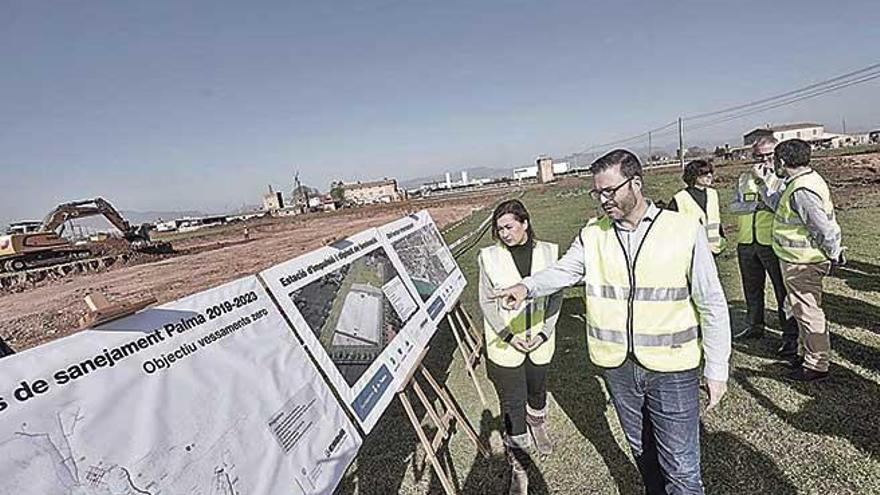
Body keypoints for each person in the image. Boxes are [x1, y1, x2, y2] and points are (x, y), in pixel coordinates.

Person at [492, 149, 731, 495]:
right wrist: (525, 286)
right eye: (597, 193)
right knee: (643, 454)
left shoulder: (682, 229)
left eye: (610, 191)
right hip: (618, 369)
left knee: (681, 468)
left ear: (635, 183)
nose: (603, 200)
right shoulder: (594, 234)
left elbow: (711, 302)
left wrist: (717, 367)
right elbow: (564, 271)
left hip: (673, 369)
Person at [478, 199, 562, 495]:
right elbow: (485, 303)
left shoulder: (549, 252)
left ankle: (538, 424)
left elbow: (555, 297)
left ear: (525, 223)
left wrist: (543, 334)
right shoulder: (488, 257)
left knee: (537, 390)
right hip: (505, 344)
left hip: (540, 340)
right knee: (513, 405)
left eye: (509, 227)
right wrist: (510, 337)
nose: (504, 233)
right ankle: (520, 468)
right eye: (499, 229)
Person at [754, 139, 844, 381]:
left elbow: (822, 227)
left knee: (808, 312)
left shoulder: (802, 190)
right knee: (801, 310)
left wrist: (834, 253)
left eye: (774, 159)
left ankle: (816, 364)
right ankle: (808, 356)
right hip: (797, 261)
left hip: (803, 263)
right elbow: (781, 207)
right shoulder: (798, 183)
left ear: (782, 161)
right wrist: (763, 184)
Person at [729, 137, 799, 355]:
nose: (765, 160)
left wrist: (761, 200)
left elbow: (780, 207)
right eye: (759, 156)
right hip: (747, 242)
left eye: (769, 155)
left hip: (772, 243)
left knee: (782, 291)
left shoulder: (784, 179)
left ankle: (790, 336)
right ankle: (755, 326)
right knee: (752, 289)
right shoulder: (744, 178)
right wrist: (756, 204)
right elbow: (734, 206)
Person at [668, 160, 727, 255]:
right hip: (693, 249)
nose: (709, 176)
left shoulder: (713, 194)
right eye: (704, 173)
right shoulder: (680, 198)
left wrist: (722, 238)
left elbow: (715, 220)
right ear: (694, 176)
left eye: (710, 172)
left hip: (715, 248)